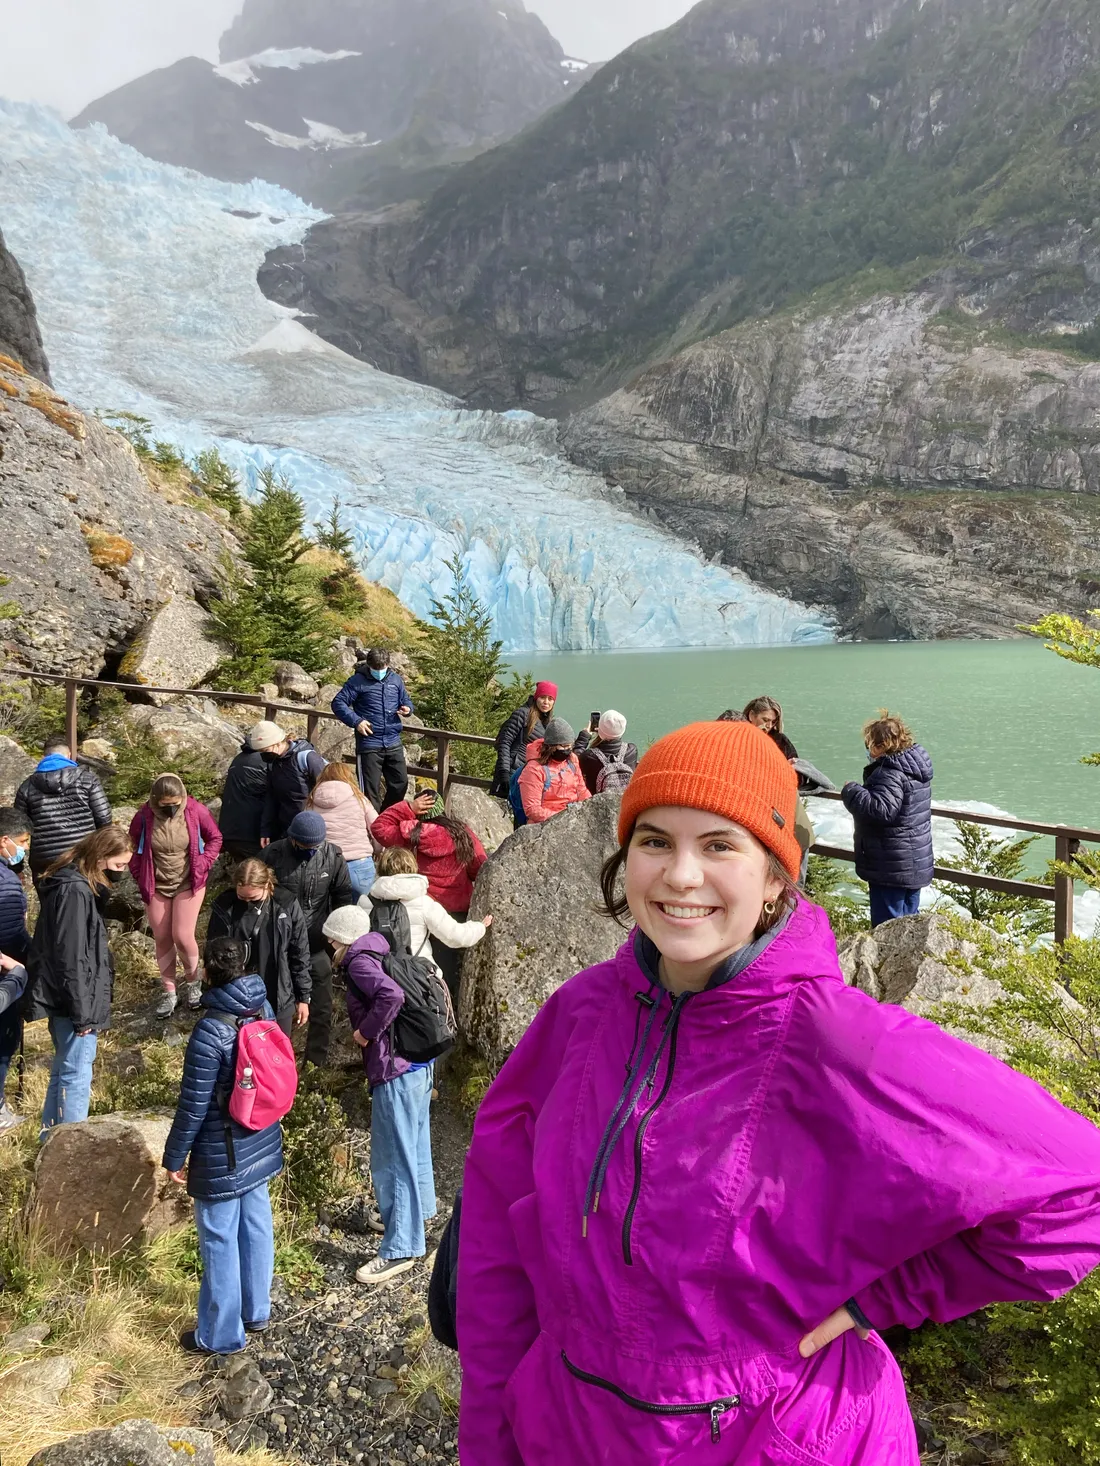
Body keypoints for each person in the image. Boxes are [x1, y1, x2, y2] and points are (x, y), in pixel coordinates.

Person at [456, 719, 1100, 1465]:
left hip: (771, 1434)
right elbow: (496, 1240)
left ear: (773, 877)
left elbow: (1078, 1191)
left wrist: (882, 1299)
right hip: (568, 1427)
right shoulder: (581, 1013)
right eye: (655, 840)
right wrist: (489, 1436)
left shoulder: (842, 1040)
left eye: (720, 844)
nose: (681, 875)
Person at [163, 937, 282, 1357]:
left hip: (221, 1149)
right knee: (256, 1224)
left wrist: (174, 1157)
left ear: (206, 972)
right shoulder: (261, 1007)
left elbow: (193, 1106)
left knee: (218, 1238)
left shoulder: (210, 1030)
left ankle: (220, 1334)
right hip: (262, 1136)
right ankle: (257, 1309)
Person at [323, 904, 437, 1287]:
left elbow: (391, 997)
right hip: (419, 1064)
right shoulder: (385, 950)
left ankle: (401, 1247)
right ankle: (416, 1219)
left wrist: (365, 1033)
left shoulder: (358, 963)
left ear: (342, 937)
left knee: (391, 1159)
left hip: (395, 1069)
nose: (328, 944)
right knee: (415, 1146)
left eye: (331, 938)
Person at [26, 825, 133, 1140]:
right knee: (76, 1074)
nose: (121, 873)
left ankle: (51, 1141)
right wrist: (83, 1012)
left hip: (71, 997)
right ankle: (69, 1147)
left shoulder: (74, 884)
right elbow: (71, 957)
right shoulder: (75, 891)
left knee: (63, 1071)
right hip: (76, 1000)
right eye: (118, 866)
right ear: (100, 858)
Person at [371, 789, 487, 1001]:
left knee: (418, 960)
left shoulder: (409, 835)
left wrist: (408, 808)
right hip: (456, 908)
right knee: (447, 964)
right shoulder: (462, 833)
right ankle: (445, 1007)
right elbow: (479, 866)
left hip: (418, 907)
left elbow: (378, 827)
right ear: (442, 808)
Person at [263, 810, 355, 1065]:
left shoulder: (333, 856)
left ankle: (316, 1063)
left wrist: (337, 941)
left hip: (317, 945)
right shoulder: (272, 855)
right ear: (293, 839)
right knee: (279, 1006)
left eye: (315, 846)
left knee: (322, 1007)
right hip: (278, 946)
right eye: (305, 846)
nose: (310, 850)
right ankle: (278, 1063)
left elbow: (342, 898)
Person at [129, 774, 223, 1018]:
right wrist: (139, 874)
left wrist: (204, 863)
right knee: (161, 936)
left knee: (182, 934)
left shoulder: (195, 811)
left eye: (175, 803)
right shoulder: (143, 816)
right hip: (157, 883)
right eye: (165, 805)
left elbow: (215, 838)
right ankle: (169, 991)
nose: (171, 808)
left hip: (189, 882)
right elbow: (131, 847)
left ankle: (194, 984)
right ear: (155, 800)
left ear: (182, 797)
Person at [365, 847, 491, 1008]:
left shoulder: (367, 902)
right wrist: (480, 926)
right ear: (412, 867)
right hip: (420, 979)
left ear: (381, 869)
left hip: (379, 980)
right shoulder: (424, 903)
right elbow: (456, 936)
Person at [842, 711, 934, 928]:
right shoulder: (913, 768)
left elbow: (881, 810)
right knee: (909, 924)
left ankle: (889, 963)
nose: (869, 750)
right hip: (913, 862)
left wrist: (851, 790)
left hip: (891, 865)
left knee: (888, 928)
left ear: (881, 745)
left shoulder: (889, 772)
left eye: (870, 744)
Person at [206, 858, 311, 1037]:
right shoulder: (225, 906)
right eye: (242, 897)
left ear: (267, 885)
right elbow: (213, 951)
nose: (247, 902)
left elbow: (299, 952)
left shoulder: (286, 905)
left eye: (253, 898)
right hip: (236, 995)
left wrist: (304, 997)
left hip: (278, 992)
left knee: (276, 1054)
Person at [15, 734, 112, 887]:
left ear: (43, 757)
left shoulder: (27, 787)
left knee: (50, 908)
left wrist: (16, 868)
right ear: (68, 755)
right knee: (86, 905)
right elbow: (104, 818)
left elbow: (17, 830)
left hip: (45, 862)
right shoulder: (88, 779)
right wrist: (104, 853)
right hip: (83, 857)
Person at [331, 649, 414, 813]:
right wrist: (357, 721)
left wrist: (408, 709)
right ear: (369, 666)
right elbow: (338, 703)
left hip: (393, 741)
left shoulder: (396, 680)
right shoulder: (357, 681)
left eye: (382, 667)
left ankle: (386, 818)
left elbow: (406, 700)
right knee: (370, 792)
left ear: (388, 665)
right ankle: (373, 830)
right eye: (375, 668)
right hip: (369, 744)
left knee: (401, 783)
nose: (379, 671)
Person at [0, 807, 32, 1132]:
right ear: (4, 840)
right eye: (22, 842)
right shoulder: (7, 886)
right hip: (5, 975)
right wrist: (31, 961)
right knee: (3, 1043)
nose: (24, 848)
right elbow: (13, 937)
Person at [308, 762, 380, 897]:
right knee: (361, 912)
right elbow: (377, 829)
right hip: (359, 863)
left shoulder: (311, 802)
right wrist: (378, 850)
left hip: (324, 864)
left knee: (328, 914)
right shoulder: (360, 799)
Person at [250, 721, 327, 847]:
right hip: (288, 830)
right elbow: (271, 799)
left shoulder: (307, 758)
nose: (263, 755)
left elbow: (328, 791)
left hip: (312, 829)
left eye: (266, 750)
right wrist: (266, 831)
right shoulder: (272, 764)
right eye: (261, 752)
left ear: (278, 743)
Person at [517, 718, 590, 825]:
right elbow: (532, 810)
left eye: (570, 745)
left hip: (572, 818)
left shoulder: (572, 759)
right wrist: (563, 818)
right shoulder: (534, 769)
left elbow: (582, 791)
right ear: (551, 746)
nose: (568, 750)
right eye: (564, 746)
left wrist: (589, 807)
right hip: (543, 824)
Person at [490, 682, 557, 797]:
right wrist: (504, 772)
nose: (546, 702)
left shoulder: (546, 722)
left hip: (528, 777)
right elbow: (504, 742)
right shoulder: (522, 714)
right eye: (542, 697)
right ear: (536, 697)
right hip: (512, 773)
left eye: (550, 699)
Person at [219, 729, 271, 861]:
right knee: (256, 877)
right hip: (251, 834)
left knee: (244, 875)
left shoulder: (238, 759)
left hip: (229, 831)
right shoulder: (265, 762)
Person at [574, 710, 639, 796]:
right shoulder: (631, 750)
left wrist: (584, 737)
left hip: (601, 806)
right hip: (626, 803)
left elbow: (574, 760)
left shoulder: (589, 756)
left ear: (599, 729)